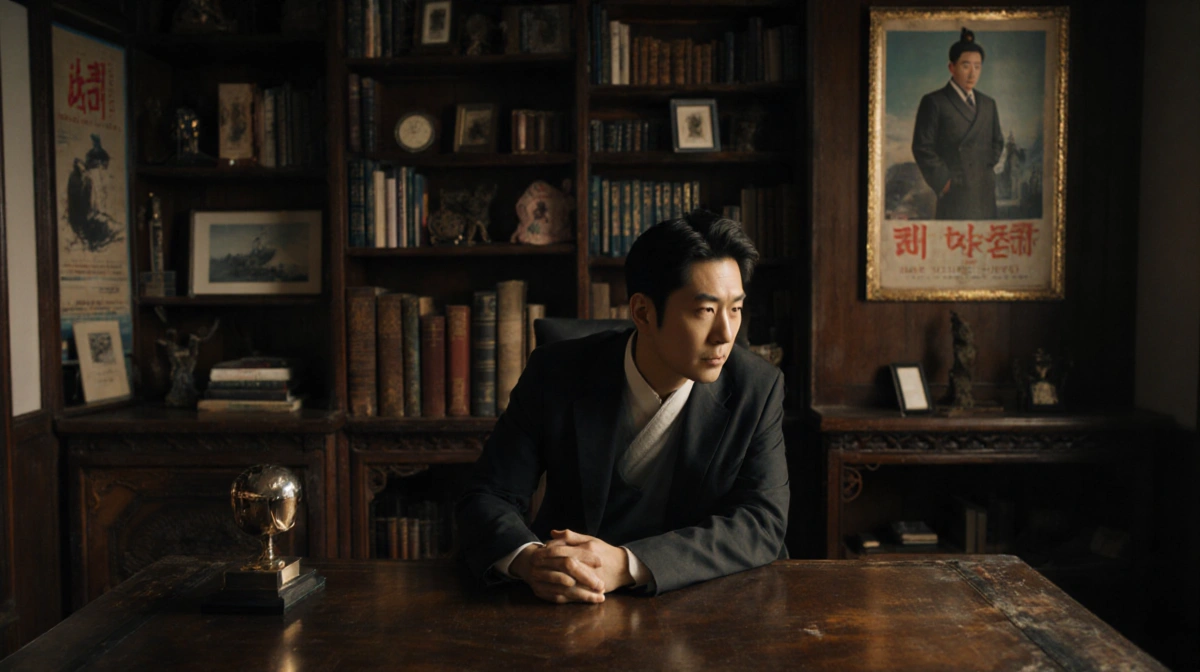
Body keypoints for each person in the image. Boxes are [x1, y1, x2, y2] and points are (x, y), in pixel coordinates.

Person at [457, 210, 789, 602]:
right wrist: (529, 561)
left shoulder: (757, 387)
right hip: (572, 598)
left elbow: (760, 521)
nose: (726, 334)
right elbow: (488, 494)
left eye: (735, 308)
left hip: (701, 598)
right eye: (706, 310)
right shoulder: (557, 372)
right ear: (643, 313)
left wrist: (627, 564)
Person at [911, 27, 1005, 220]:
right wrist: (944, 181)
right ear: (951, 67)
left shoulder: (988, 103)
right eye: (965, 66)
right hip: (955, 193)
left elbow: (997, 142)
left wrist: (982, 169)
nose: (972, 74)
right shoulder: (935, 101)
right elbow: (922, 147)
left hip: (983, 191)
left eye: (977, 67)